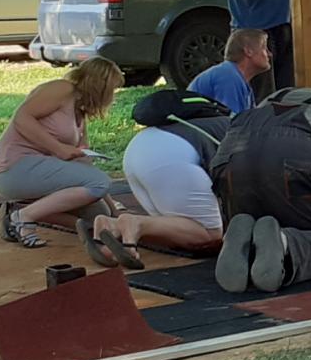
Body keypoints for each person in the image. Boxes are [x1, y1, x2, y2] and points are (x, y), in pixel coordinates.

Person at [210, 87, 311, 293]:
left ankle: (244, 240)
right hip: (296, 153)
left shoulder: (280, 93)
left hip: (234, 156)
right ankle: (284, 243)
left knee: (266, 222)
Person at [0, 57, 123, 248]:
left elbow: (85, 166)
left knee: (100, 215)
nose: (112, 96)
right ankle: (22, 218)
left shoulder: (80, 112)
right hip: (13, 168)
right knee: (99, 183)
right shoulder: (62, 89)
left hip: (42, 170)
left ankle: (19, 209)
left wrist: (113, 209)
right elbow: (22, 117)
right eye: (113, 89)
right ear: (101, 86)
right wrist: (58, 148)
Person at [78, 112, 232, 268]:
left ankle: (113, 226)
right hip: (172, 155)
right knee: (209, 235)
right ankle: (136, 223)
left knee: (177, 227)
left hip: (139, 148)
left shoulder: (233, 122)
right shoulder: (244, 132)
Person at [188, 28, 270, 115]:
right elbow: (230, 121)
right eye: (264, 48)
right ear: (248, 51)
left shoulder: (239, 79)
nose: (269, 54)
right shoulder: (228, 76)